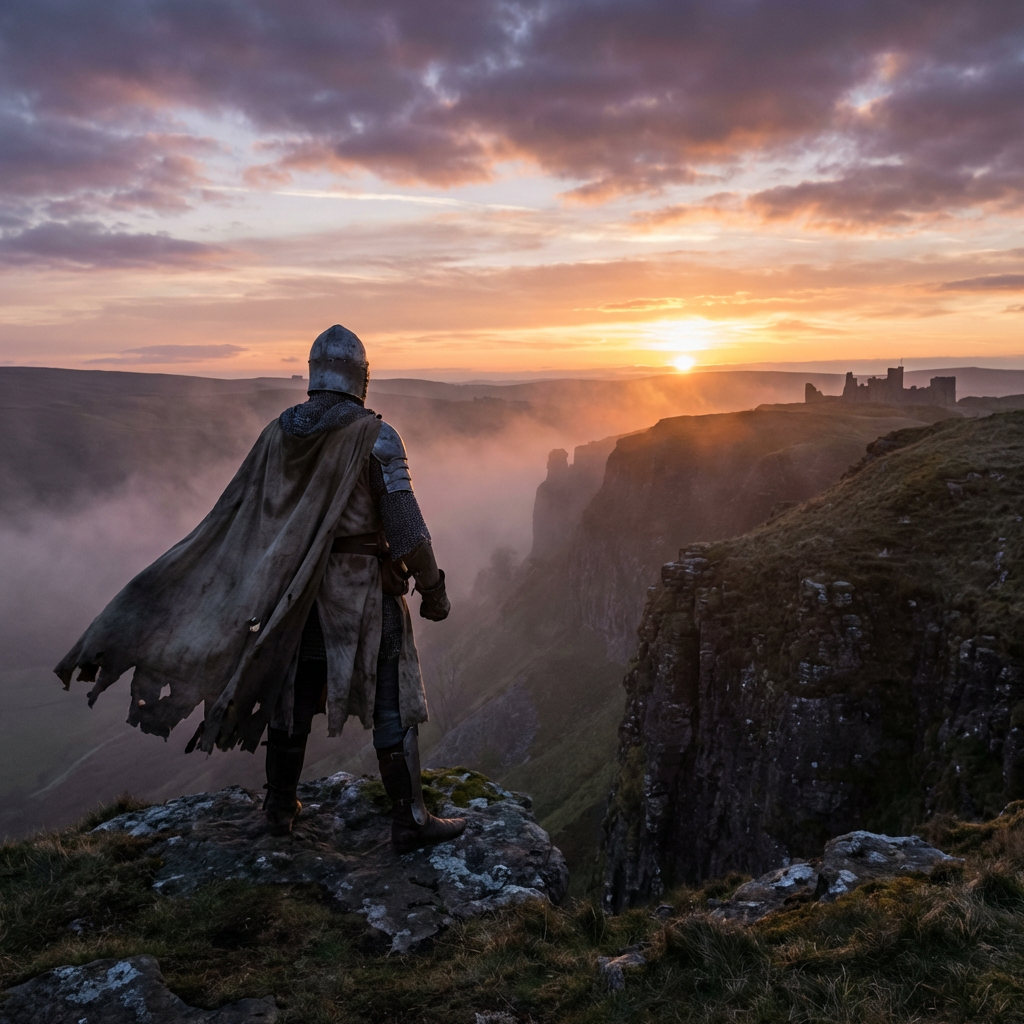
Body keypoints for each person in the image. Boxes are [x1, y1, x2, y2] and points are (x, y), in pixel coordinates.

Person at [56, 325, 465, 854]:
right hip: (359, 596)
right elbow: (409, 533)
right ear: (360, 377)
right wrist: (434, 590)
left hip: (291, 595)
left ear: (315, 374)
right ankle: (409, 820)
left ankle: (279, 808)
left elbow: (246, 515)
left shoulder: (279, 434)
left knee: (292, 699)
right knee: (394, 703)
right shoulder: (377, 438)